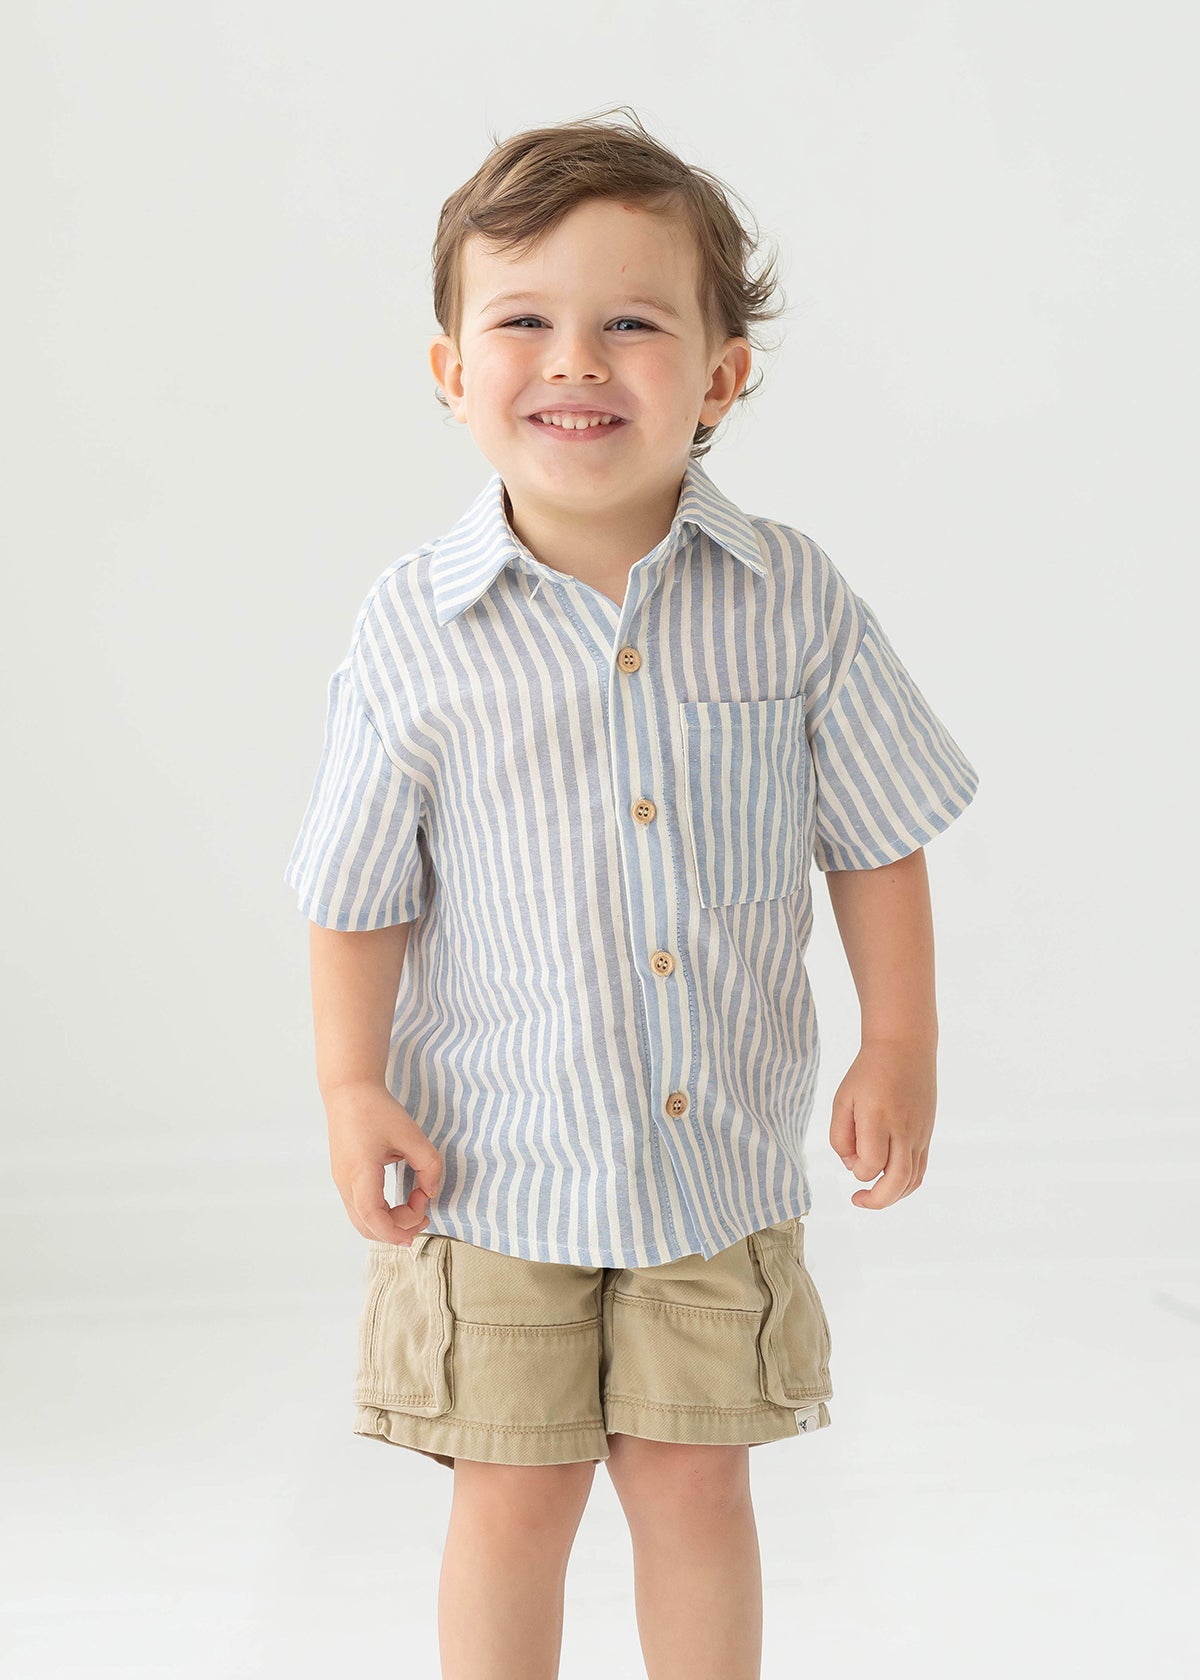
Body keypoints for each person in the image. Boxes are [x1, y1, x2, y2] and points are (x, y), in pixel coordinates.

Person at [283, 108, 980, 1680]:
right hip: (498, 1166)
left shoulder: (793, 600)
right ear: (453, 370)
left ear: (722, 375)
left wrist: (902, 1041)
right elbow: (353, 887)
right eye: (521, 320)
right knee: (513, 1494)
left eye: (632, 323)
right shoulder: (415, 630)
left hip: (706, 1165)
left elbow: (874, 835)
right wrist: (348, 1082)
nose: (574, 361)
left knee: (692, 1481)